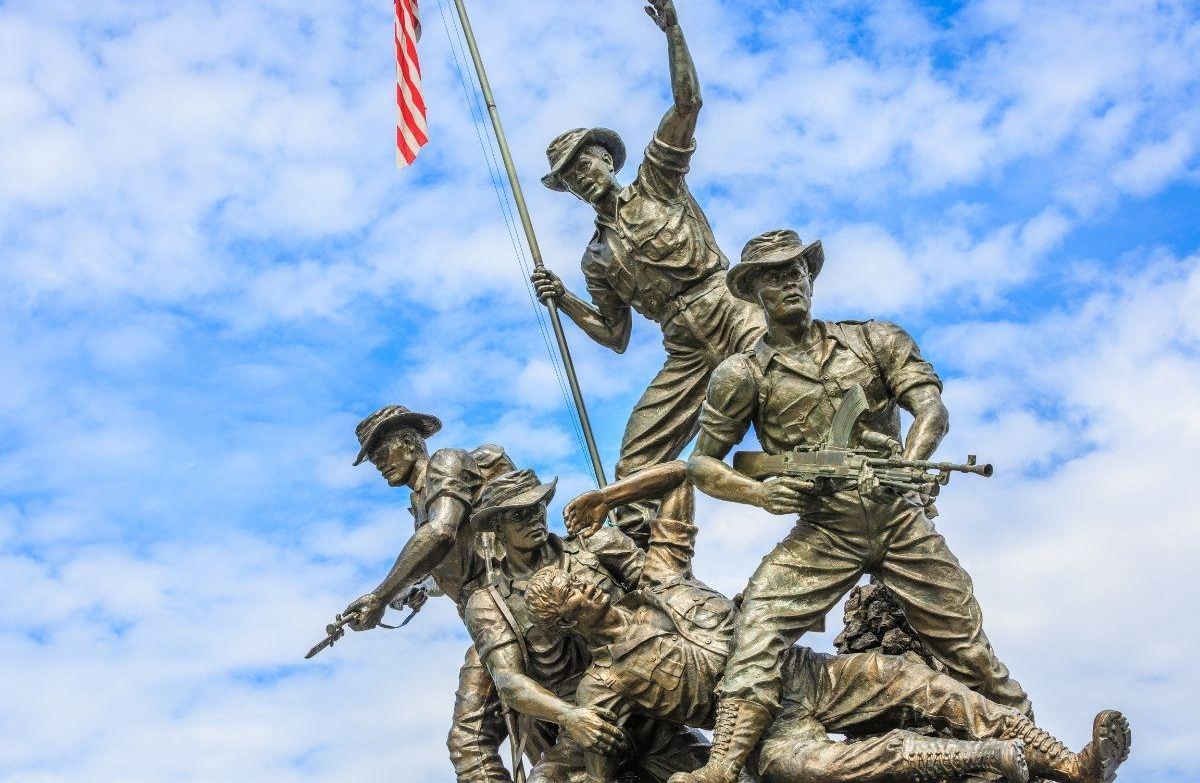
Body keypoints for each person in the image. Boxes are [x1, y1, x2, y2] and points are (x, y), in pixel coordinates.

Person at [679, 229, 1032, 782]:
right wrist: (761, 492)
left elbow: (931, 410)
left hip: (898, 518)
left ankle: (1042, 751)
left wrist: (911, 468)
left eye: (797, 269)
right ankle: (721, 766)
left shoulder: (875, 340)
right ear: (752, 291)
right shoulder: (742, 374)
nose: (790, 281)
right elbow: (702, 465)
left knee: (970, 650)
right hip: (825, 531)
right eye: (773, 274)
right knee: (756, 632)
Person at [526, 463, 1131, 783]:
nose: (587, 582)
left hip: (807, 675)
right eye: (573, 590)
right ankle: (991, 759)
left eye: (584, 577)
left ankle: (1071, 764)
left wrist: (610, 496)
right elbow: (593, 759)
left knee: (918, 682)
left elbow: (685, 477)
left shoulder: (662, 574)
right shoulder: (602, 685)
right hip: (760, 737)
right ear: (566, 620)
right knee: (823, 768)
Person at [531, 0, 764, 545]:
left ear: (607, 159)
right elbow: (615, 336)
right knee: (635, 463)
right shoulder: (595, 258)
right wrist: (563, 299)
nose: (580, 175)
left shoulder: (659, 181)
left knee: (779, 383)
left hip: (729, 309)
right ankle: (646, 570)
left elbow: (687, 107)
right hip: (682, 347)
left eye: (584, 161)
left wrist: (673, 33)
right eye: (568, 176)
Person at [463, 468, 710, 782]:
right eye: (518, 514)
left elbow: (662, 591)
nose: (534, 517)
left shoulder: (598, 545)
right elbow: (508, 680)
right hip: (583, 727)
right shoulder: (488, 603)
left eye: (537, 506)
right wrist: (570, 716)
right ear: (496, 526)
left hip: (653, 707)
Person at [335, 405, 518, 782]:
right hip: (482, 614)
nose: (380, 465)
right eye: (374, 460)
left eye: (383, 453)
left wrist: (381, 595)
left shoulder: (447, 462)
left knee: (480, 735)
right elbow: (446, 562)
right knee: (469, 741)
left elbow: (440, 533)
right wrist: (415, 587)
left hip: (503, 603)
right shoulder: (420, 501)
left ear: (410, 443)